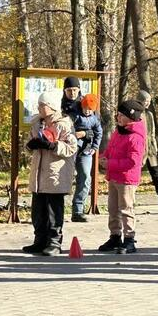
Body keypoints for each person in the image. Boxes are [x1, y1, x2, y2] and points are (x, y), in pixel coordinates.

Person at [22, 90, 78, 257]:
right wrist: (30, 146)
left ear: (52, 106)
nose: (39, 108)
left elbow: (72, 148)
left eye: (42, 105)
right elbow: (28, 146)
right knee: (38, 212)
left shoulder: (64, 124)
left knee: (54, 211)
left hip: (55, 176)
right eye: (39, 105)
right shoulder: (36, 124)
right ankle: (40, 240)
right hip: (39, 176)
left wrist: (53, 146)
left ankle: (54, 242)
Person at [99, 98, 147, 254]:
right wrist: (103, 157)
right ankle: (115, 236)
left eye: (121, 115)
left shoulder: (136, 137)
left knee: (126, 208)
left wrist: (110, 163)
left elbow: (133, 161)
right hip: (114, 177)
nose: (118, 118)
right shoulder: (118, 131)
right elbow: (110, 148)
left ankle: (129, 239)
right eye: (117, 115)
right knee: (113, 209)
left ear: (131, 117)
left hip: (127, 179)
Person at [69, 93, 103, 223]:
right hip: (72, 148)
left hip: (86, 150)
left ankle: (78, 209)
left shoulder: (95, 119)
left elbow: (98, 133)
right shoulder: (75, 116)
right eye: (86, 108)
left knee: (85, 177)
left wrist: (95, 147)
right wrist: (79, 134)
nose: (88, 111)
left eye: (90, 109)